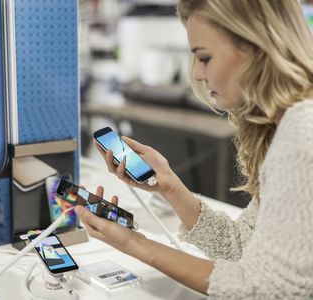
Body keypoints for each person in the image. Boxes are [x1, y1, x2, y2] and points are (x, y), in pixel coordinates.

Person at [75, 0, 313, 299]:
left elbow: (264, 288)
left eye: (205, 58)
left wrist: (135, 245)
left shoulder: (303, 134)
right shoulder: (285, 126)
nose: (199, 74)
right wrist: (170, 186)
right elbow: (240, 246)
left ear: (256, 48)